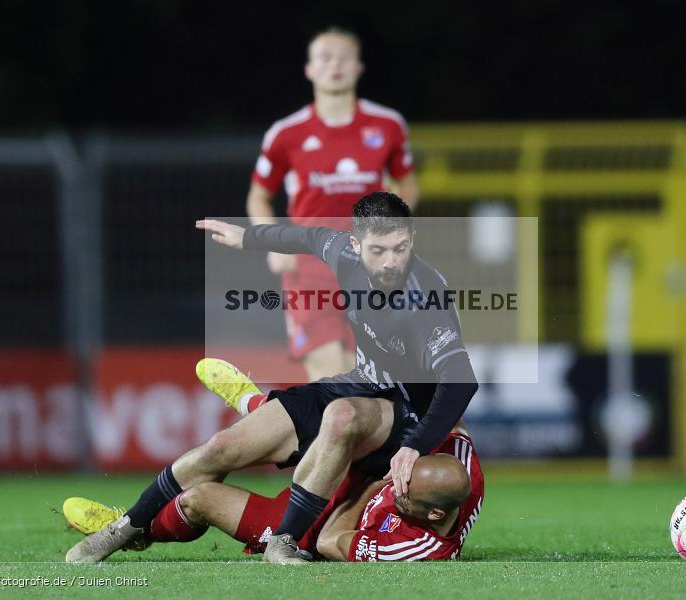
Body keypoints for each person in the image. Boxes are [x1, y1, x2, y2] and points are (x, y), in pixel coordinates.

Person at [65, 193, 477, 565]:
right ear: (355, 245)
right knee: (224, 445)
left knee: (342, 417)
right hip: (358, 381)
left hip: (404, 412)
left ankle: (284, 542)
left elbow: (460, 379)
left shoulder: (425, 300)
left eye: (401, 248)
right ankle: (124, 529)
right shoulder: (343, 254)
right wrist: (247, 238)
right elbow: (308, 237)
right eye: (379, 250)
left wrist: (414, 447)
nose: (391, 261)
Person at [246, 26, 419, 381]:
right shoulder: (286, 133)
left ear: (359, 67)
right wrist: (270, 241)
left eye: (344, 57)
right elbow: (258, 196)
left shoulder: (388, 125)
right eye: (325, 57)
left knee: (373, 385)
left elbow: (408, 184)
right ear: (309, 69)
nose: (334, 65)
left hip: (371, 266)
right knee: (334, 387)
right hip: (309, 268)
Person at [63, 430, 484, 562]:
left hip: (306, 526)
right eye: (402, 476)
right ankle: (258, 404)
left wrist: (375, 485)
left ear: (431, 515)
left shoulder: (416, 546)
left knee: (197, 497)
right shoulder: (459, 462)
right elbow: (451, 419)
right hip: (345, 478)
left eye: (404, 494)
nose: (398, 482)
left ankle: (142, 530)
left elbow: (326, 541)